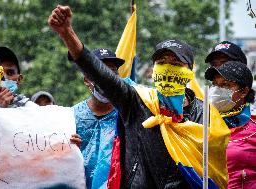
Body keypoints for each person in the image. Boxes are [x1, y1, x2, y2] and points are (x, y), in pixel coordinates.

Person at [48, 5, 208, 188]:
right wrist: (67, 33)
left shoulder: (204, 115)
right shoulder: (137, 101)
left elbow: (215, 170)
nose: (167, 69)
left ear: (189, 71)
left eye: (176, 64)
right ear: (154, 69)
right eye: (161, 63)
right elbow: (98, 72)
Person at [73, 48, 125, 189]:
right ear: (86, 80)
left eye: (112, 72)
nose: (106, 78)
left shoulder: (127, 116)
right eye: (99, 73)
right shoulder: (71, 116)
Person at [205, 61, 256, 188]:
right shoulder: (202, 122)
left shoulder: (253, 127)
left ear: (244, 91)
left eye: (225, 85)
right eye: (215, 84)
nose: (216, 90)